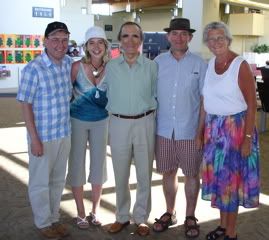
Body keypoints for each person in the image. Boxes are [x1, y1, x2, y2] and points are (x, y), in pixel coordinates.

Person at [200, 21, 260, 240]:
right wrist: (200, 132)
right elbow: (205, 99)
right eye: (211, 39)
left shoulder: (240, 65)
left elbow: (252, 105)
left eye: (220, 38)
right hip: (213, 130)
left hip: (235, 131)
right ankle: (223, 226)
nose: (216, 42)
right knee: (220, 183)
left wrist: (247, 139)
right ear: (207, 43)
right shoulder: (210, 64)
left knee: (231, 183)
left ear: (228, 39)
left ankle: (231, 233)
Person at [16, 21, 72, 239]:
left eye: (64, 40)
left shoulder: (68, 64)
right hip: (43, 136)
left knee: (58, 181)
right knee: (40, 182)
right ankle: (43, 222)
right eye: (56, 40)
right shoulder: (34, 68)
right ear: (46, 41)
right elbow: (25, 105)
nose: (60, 44)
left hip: (63, 134)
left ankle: (54, 218)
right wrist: (34, 139)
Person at [153, 18, 207, 238]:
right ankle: (170, 211)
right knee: (168, 173)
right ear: (168, 36)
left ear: (190, 38)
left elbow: (205, 100)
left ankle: (190, 215)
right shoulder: (157, 62)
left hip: (190, 131)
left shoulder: (199, 63)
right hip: (163, 130)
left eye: (184, 34)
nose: (179, 37)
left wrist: (200, 132)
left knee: (192, 174)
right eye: (174, 33)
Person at [105, 21, 157, 236]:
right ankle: (122, 216)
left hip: (145, 122)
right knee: (121, 173)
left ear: (141, 40)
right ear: (120, 40)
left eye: (135, 36)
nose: (130, 41)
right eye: (125, 36)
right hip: (118, 123)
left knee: (144, 173)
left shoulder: (152, 67)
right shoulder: (110, 67)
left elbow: (155, 93)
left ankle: (141, 217)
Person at [66, 26, 109, 229]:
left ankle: (95, 210)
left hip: (102, 121)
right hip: (77, 121)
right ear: (86, 46)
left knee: (99, 165)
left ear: (106, 45)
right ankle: (81, 211)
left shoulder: (112, 67)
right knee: (77, 164)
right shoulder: (75, 67)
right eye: (92, 43)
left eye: (100, 42)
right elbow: (65, 95)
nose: (96, 46)